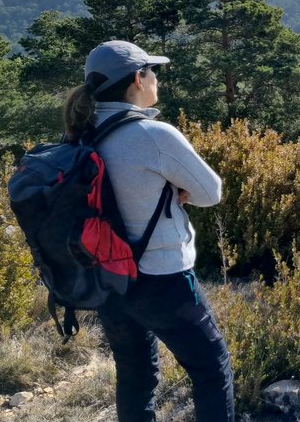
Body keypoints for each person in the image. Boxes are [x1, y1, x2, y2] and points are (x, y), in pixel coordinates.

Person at [64, 40, 233, 421]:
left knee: (136, 373)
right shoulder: (153, 135)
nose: (156, 78)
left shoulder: (80, 134)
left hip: (107, 279)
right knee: (211, 368)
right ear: (138, 79)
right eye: (152, 71)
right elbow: (211, 192)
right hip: (162, 278)